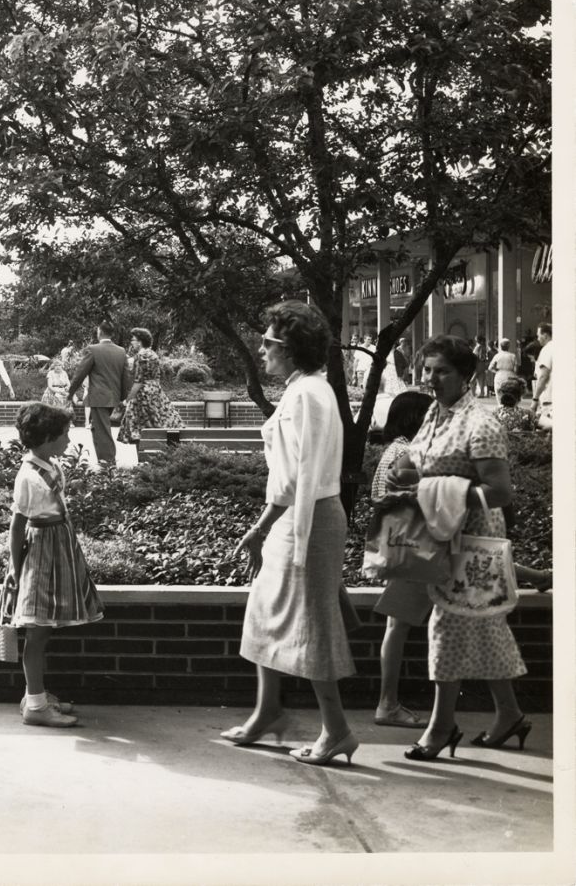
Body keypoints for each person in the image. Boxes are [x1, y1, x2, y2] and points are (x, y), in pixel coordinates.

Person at [226, 300, 358, 766]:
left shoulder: (307, 395)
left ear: (291, 349)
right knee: (265, 610)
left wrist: (266, 527)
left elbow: (298, 478)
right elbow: (290, 476)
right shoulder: (305, 390)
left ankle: (336, 730)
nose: (261, 349)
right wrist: (265, 527)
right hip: (297, 516)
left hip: (310, 518)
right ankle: (267, 711)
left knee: (312, 622)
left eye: (269, 343)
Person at [395, 334, 531, 760]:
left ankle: (441, 727)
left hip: (471, 547)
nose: (431, 378)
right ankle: (509, 715)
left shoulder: (480, 422)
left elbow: (500, 492)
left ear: (466, 376)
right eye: (428, 369)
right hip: (442, 539)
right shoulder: (435, 414)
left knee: (446, 628)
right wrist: (408, 473)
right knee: (487, 629)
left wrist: (431, 486)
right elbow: (418, 461)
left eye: (442, 371)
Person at [2, 402, 104, 727]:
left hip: (57, 551)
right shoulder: (29, 477)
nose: (68, 438)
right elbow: (18, 526)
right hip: (41, 558)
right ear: (47, 438)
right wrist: (17, 572)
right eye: (64, 434)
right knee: (38, 631)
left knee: (42, 631)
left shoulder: (48, 464)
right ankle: (35, 705)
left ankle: (37, 694)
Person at [370, 390, 436, 730]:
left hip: (398, 544)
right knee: (396, 629)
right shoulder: (408, 451)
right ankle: (388, 703)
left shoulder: (391, 449)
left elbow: (377, 498)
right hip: (413, 546)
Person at [66, 324, 130, 469]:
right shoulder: (121, 351)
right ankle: (104, 460)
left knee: (102, 431)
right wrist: (124, 398)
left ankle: (108, 463)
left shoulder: (93, 350)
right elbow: (126, 376)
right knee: (98, 428)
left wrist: (70, 393)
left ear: (99, 332)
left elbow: (80, 373)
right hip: (114, 396)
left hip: (100, 397)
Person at [117, 327, 182, 450]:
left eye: (133, 340)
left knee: (137, 430)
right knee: (160, 423)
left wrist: (127, 400)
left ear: (140, 341)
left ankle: (142, 459)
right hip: (156, 392)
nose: (131, 342)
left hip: (142, 396)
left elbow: (139, 381)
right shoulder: (153, 354)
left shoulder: (140, 356)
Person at [532, 322, 553, 428]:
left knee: (547, 430)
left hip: (549, 400)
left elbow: (543, 376)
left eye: (538, 335)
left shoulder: (547, 349)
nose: (538, 338)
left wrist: (535, 399)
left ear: (545, 335)